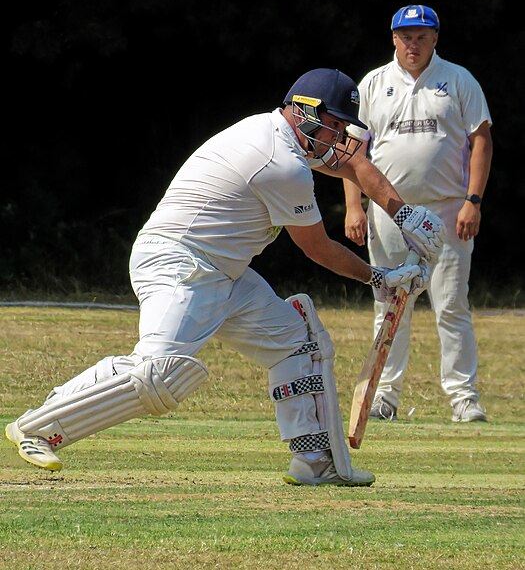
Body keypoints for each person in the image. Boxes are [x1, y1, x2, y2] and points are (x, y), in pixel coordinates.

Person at [5, 68, 445, 486]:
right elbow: (317, 248)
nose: (338, 138)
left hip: (225, 272)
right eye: (334, 125)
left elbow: (352, 166)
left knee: (299, 342)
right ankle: (37, 426)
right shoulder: (280, 161)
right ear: (307, 111)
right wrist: (379, 278)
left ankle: (316, 462)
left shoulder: (282, 134)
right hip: (180, 263)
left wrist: (404, 214)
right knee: (160, 373)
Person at [343, 5, 493, 423]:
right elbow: (353, 152)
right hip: (390, 212)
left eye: (422, 36)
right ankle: (384, 397)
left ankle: (464, 399)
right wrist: (355, 206)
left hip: (448, 212)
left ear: (435, 38)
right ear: (393, 38)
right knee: (391, 304)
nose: (413, 44)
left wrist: (473, 200)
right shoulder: (373, 83)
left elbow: (481, 139)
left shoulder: (458, 80)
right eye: (406, 36)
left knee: (451, 305)